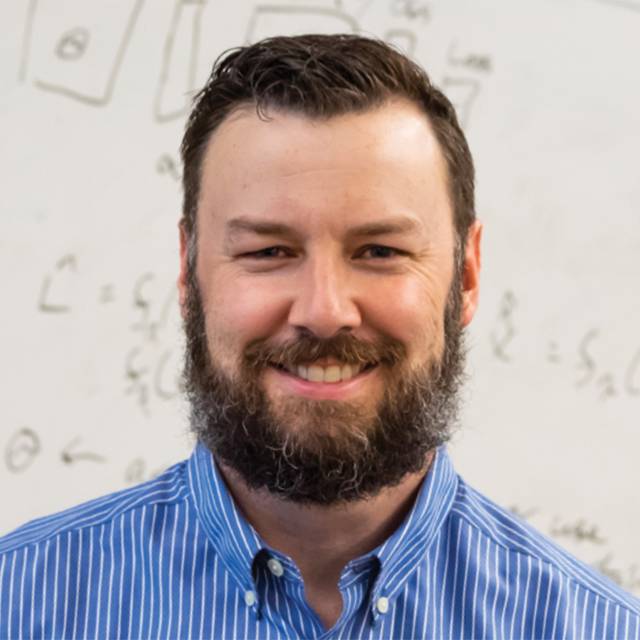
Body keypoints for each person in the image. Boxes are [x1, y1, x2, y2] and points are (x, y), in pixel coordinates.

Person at [1, 34, 639, 640]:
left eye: (380, 251)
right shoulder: (20, 603)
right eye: (269, 251)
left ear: (466, 275)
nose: (325, 311)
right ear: (188, 271)